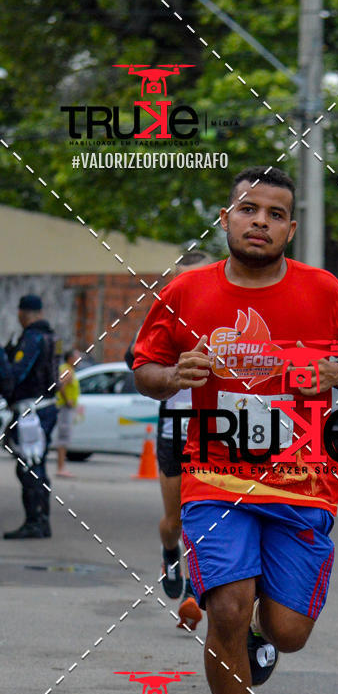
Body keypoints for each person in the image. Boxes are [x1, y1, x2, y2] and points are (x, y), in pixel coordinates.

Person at [133, 166, 338, 694]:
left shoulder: (322, 289)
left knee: (288, 633)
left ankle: (262, 634)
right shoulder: (186, 290)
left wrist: (337, 371)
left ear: (291, 229)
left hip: (302, 482)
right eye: (248, 210)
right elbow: (144, 368)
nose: (260, 222)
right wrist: (173, 376)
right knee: (227, 609)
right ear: (226, 219)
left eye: (274, 214)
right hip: (215, 476)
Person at [124, 247, 207, 630]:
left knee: (202, 516)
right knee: (174, 521)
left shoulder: (226, 314)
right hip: (174, 428)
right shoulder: (165, 316)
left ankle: (193, 590)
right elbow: (136, 359)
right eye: (183, 279)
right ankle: (169, 553)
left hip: (215, 429)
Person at [3, 295, 58, 539]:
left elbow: (16, 374)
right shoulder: (51, 337)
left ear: (22, 313)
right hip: (43, 408)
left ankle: (36, 522)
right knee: (36, 464)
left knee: (29, 466)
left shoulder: (33, 339)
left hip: (32, 412)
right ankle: (40, 521)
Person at [55, 349, 81, 478]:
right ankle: (61, 468)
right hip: (65, 407)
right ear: (70, 359)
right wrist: (67, 400)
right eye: (77, 357)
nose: (79, 360)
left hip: (65, 407)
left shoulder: (67, 369)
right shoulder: (67, 370)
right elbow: (61, 385)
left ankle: (61, 467)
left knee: (64, 437)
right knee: (64, 437)